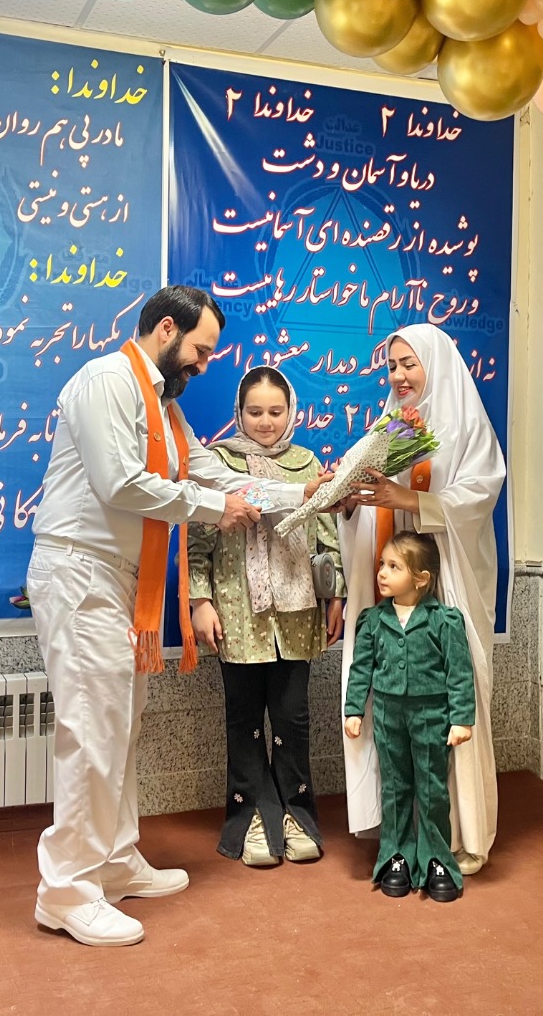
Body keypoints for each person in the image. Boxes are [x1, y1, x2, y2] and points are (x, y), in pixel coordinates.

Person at [26, 285, 325, 947]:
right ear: (167, 329)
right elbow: (121, 483)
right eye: (201, 349)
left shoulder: (162, 403)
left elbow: (211, 471)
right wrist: (219, 511)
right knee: (91, 732)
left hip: (118, 581)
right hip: (80, 572)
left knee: (119, 727)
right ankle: (66, 891)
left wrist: (298, 492)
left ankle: (114, 862)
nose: (204, 364)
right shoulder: (106, 381)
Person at [338, 322, 506, 875]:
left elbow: (478, 496)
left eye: (409, 363)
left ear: (436, 363)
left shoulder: (465, 424)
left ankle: (463, 835)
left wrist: (408, 498)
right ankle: (401, 834)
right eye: (392, 366)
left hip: (448, 581)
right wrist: (348, 502)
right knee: (392, 714)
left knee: (455, 699)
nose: (399, 375)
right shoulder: (389, 428)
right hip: (394, 596)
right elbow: (369, 505)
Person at [187, 366, 345, 868]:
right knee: (245, 721)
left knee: (293, 720)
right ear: (239, 412)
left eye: (275, 411)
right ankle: (253, 817)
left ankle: (297, 816)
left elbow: (326, 536)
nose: (265, 421)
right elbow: (198, 537)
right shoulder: (218, 462)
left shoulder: (306, 463)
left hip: (296, 616)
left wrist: (335, 595)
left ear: (291, 411)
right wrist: (200, 602)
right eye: (254, 411)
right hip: (237, 614)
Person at [344, 531, 474, 902]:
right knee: (395, 786)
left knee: (432, 788)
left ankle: (436, 859)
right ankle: (396, 855)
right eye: (382, 564)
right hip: (388, 716)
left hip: (432, 716)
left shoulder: (444, 620)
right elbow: (361, 669)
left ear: (421, 578)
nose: (382, 573)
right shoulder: (373, 620)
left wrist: (461, 718)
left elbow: (459, 672)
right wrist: (354, 710)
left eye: (394, 566)